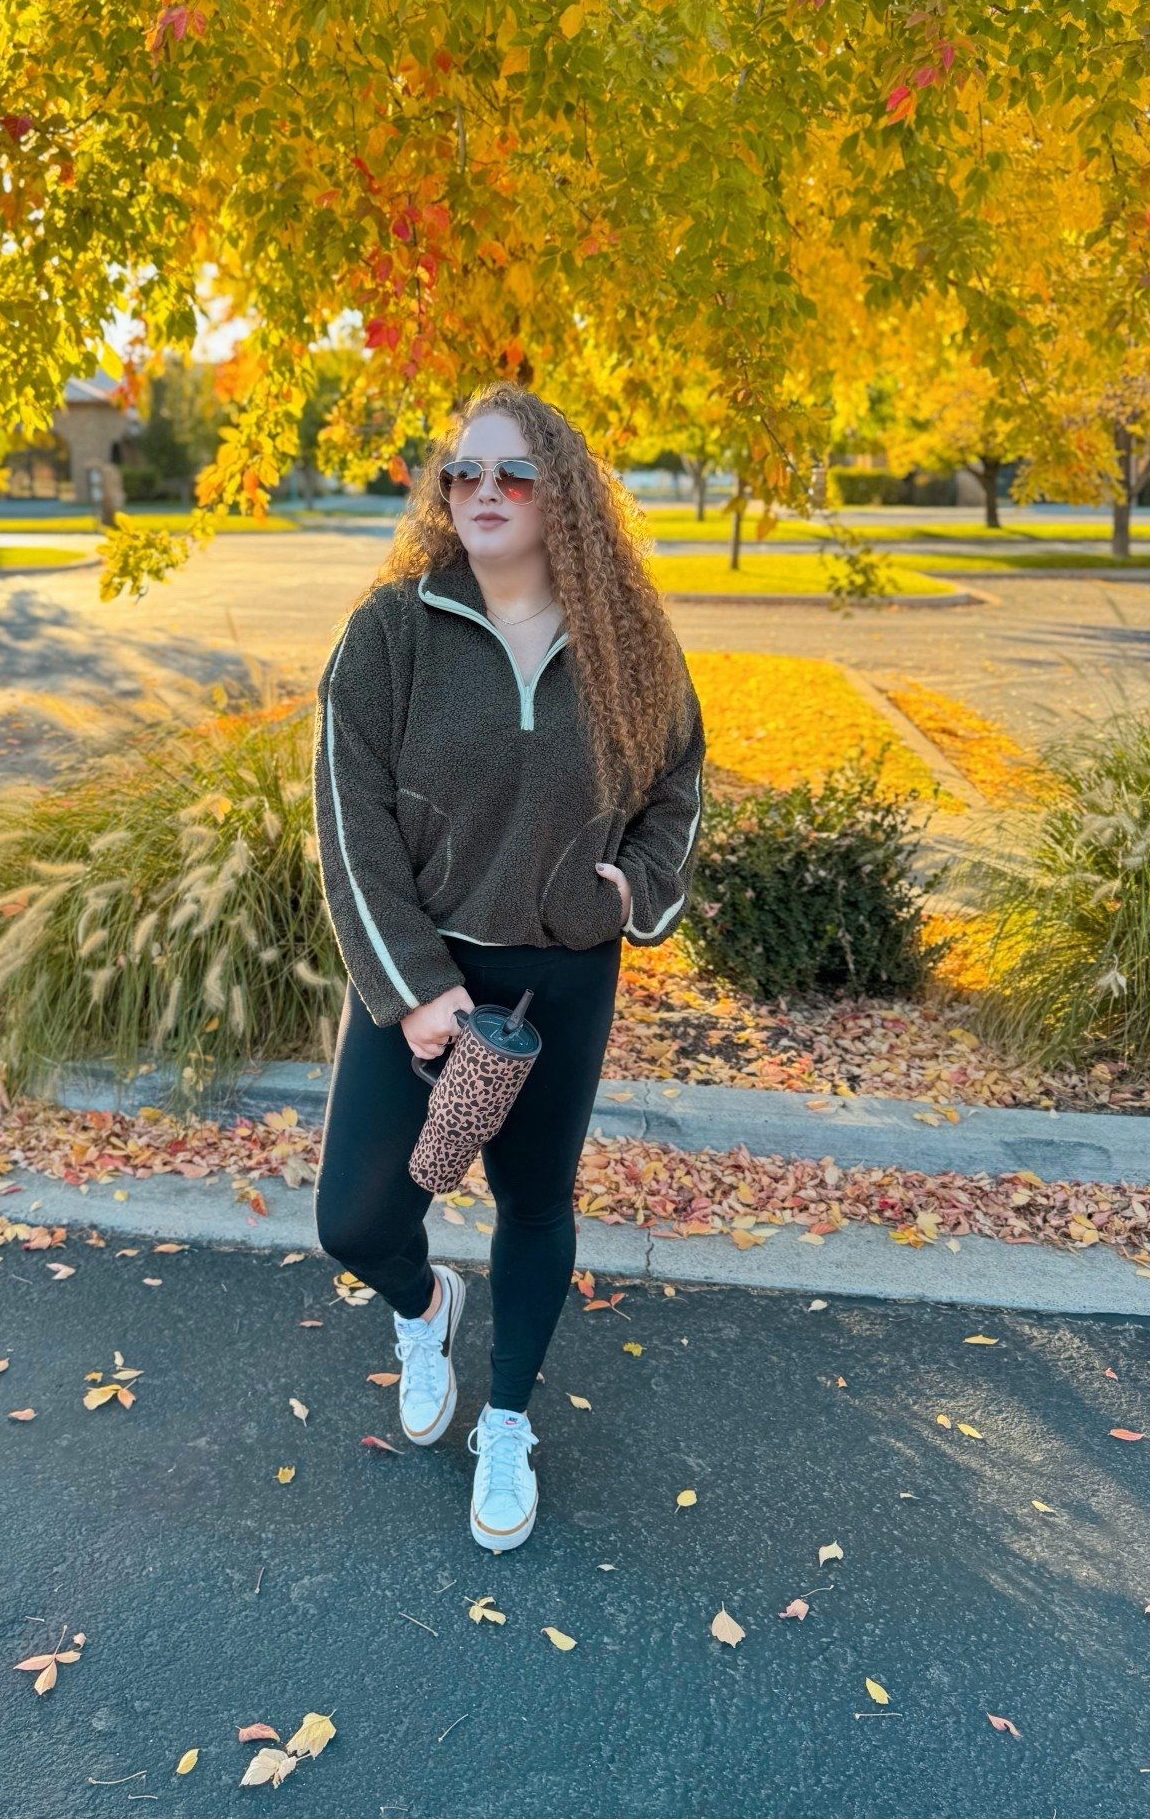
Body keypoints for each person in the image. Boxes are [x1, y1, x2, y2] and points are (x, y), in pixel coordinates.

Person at [310, 380, 705, 1552]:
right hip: (420, 978)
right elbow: (348, 814)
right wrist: (414, 986)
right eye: (464, 472)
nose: (485, 490)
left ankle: (507, 1420)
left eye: (514, 472)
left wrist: (633, 891)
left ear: (562, 493)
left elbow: (678, 785)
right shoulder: (393, 629)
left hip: (561, 977)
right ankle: (425, 1303)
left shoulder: (630, 643)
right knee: (357, 1220)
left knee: (535, 1203)